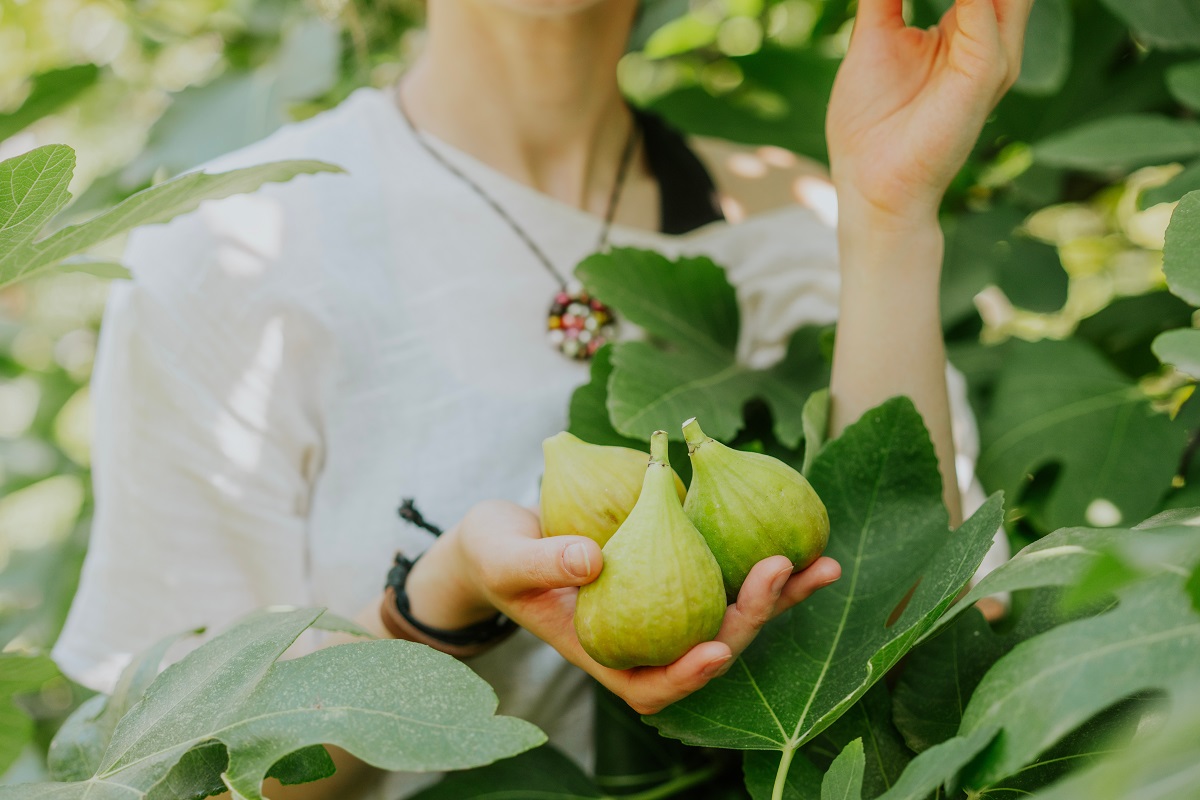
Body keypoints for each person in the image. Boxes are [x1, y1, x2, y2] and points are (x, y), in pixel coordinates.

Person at [51, 0, 1029, 797]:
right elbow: (185, 781)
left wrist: (890, 220)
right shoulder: (233, 251)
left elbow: (913, 650)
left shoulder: (811, 226)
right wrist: (441, 600)